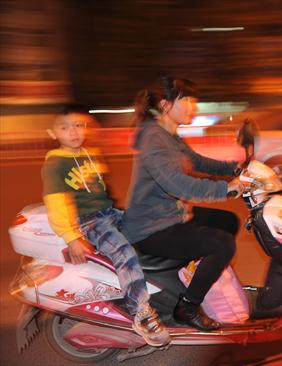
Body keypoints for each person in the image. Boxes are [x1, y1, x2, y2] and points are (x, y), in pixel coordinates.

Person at [121, 76, 244, 331]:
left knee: (228, 221)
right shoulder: (154, 138)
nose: (193, 107)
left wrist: (237, 169)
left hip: (169, 216)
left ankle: (195, 275)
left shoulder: (169, 134)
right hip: (151, 228)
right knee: (222, 244)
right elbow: (176, 184)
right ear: (166, 105)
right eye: (187, 100)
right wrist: (226, 189)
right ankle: (187, 307)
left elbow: (198, 162)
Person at [42, 104, 170, 346]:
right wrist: (72, 238)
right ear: (53, 133)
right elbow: (56, 203)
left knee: (150, 225)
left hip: (109, 213)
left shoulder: (91, 153)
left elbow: (104, 191)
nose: (73, 132)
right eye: (65, 127)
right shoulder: (56, 163)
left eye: (79, 125)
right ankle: (140, 312)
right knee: (124, 252)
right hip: (89, 221)